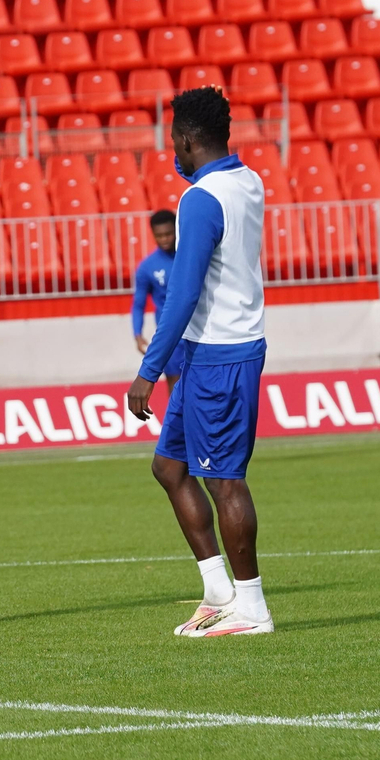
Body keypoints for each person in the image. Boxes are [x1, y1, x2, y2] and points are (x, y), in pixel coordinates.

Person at [126, 86, 272, 637]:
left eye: (175, 144)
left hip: (219, 354)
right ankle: (218, 591)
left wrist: (147, 371)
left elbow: (183, 294)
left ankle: (252, 607)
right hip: (208, 352)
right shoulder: (248, 181)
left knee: (225, 482)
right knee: (170, 467)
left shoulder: (201, 199)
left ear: (188, 140)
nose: (173, 155)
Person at [130, 209, 184, 393]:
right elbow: (138, 304)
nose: (164, 239)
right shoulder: (147, 267)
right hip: (170, 336)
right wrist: (137, 334)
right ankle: (177, 422)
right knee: (176, 387)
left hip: (199, 331)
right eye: (159, 235)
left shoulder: (191, 257)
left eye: (168, 234)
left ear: (176, 230)